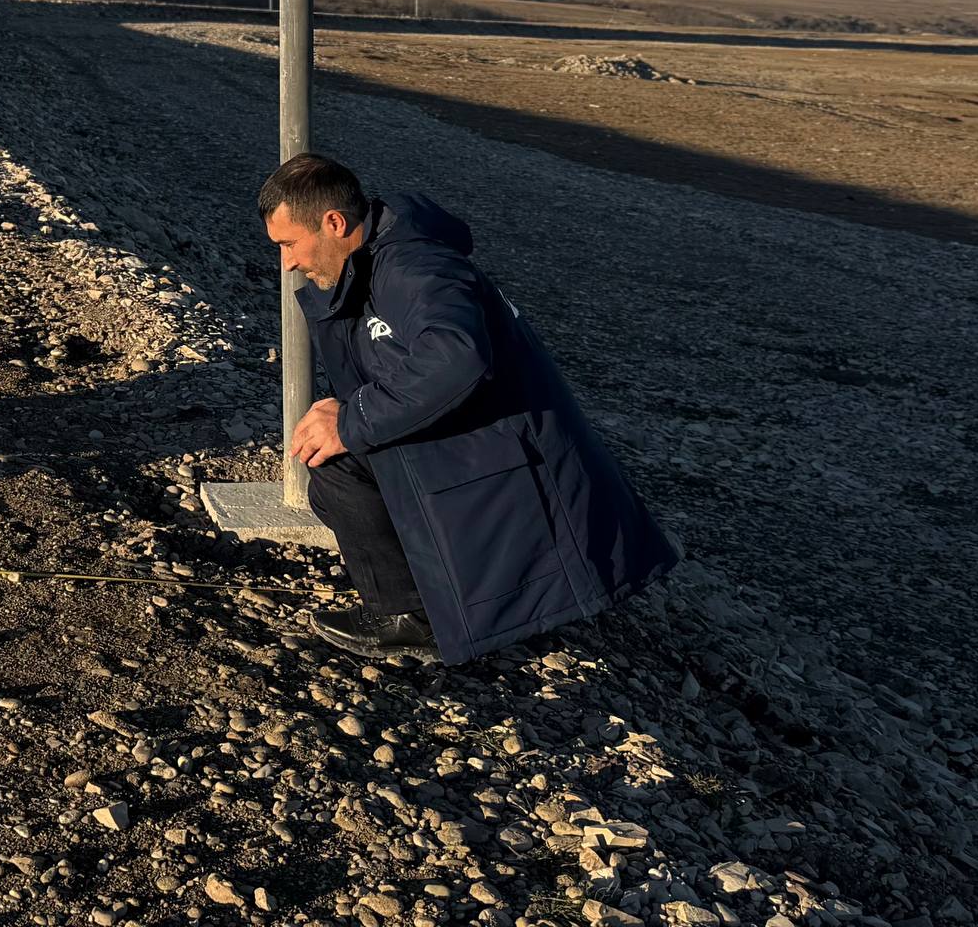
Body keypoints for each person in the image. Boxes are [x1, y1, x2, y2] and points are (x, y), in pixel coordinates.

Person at [261, 153, 676, 663]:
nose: (288, 263)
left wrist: (353, 418)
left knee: (341, 460)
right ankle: (425, 606)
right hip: (481, 438)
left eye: (289, 244)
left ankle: (416, 620)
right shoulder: (374, 262)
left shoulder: (414, 267)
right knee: (335, 470)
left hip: (511, 457)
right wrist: (352, 411)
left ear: (334, 223)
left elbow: (458, 355)